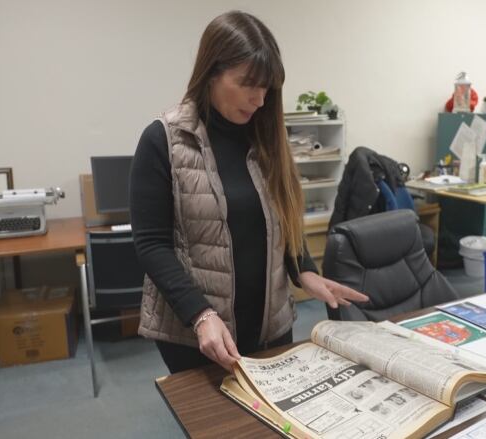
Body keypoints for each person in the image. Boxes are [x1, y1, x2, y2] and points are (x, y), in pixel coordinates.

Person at [129, 10, 368, 374]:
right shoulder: (164, 140)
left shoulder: (267, 136)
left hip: (271, 323)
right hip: (198, 332)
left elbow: (283, 217)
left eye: (267, 88)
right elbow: (151, 245)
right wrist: (200, 314)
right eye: (246, 83)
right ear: (211, 72)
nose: (259, 99)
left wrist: (304, 270)